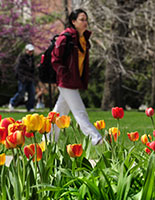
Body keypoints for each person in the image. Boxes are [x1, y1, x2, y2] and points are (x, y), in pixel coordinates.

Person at [49, 9, 102, 145]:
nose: (85, 22)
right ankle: (96, 138)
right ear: (73, 22)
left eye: (86, 19)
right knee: (79, 111)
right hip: (66, 81)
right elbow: (55, 59)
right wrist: (65, 75)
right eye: (82, 19)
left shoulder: (83, 39)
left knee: (59, 113)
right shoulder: (65, 37)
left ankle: (47, 141)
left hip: (73, 81)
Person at [9, 44, 36, 112]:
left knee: (32, 93)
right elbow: (19, 69)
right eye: (29, 51)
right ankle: (12, 103)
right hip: (23, 79)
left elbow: (32, 69)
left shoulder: (32, 58)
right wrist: (22, 78)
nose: (30, 53)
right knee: (21, 93)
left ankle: (30, 107)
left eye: (32, 51)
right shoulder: (21, 58)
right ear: (26, 51)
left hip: (30, 79)